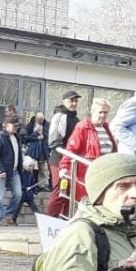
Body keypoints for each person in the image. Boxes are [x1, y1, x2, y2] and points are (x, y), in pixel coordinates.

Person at [58, 99, 116, 205]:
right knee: (86, 204)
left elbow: (113, 150)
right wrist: (64, 167)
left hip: (104, 173)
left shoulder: (106, 127)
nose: (103, 115)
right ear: (93, 112)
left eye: (106, 112)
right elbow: (71, 149)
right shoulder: (83, 127)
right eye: (100, 112)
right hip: (87, 173)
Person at [45, 90, 82, 218]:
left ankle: (64, 220)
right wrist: (65, 160)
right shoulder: (60, 116)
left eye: (76, 101)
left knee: (69, 193)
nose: (74, 103)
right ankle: (51, 219)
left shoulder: (76, 119)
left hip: (71, 161)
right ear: (64, 101)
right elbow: (54, 142)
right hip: (59, 160)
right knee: (60, 191)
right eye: (71, 100)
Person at [0, 116, 23, 226]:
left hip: (14, 171)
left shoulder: (16, 137)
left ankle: (7, 215)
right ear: (6, 125)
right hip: (1, 171)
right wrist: (0, 170)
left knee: (18, 194)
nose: (16, 128)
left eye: (18, 126)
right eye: (14, 126)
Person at [13, 156, 44, 222]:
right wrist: (23, 188)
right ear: (25, 165)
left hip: (29, 195)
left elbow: (32, 183)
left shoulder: (31, 174)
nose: (31, 168)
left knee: (34, 208)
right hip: (22, 194)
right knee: (17, 208)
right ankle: (13, 219)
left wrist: (35, 190)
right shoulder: (20, 174)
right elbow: (18, 183)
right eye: (29, 166)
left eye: (32, 167)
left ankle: (40, 219)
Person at [24, 111, 50, 179]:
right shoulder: (30, 125)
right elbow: (25, 137)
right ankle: (32, 182)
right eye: (39, 120)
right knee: (31, 167)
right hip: (32, 150)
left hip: (43, 150)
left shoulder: (47, 125)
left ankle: (42, 185)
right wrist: (36, 138)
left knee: (42, 168)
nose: (41, 121)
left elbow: (49, 136)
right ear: (36, 118)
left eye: (42, 120)